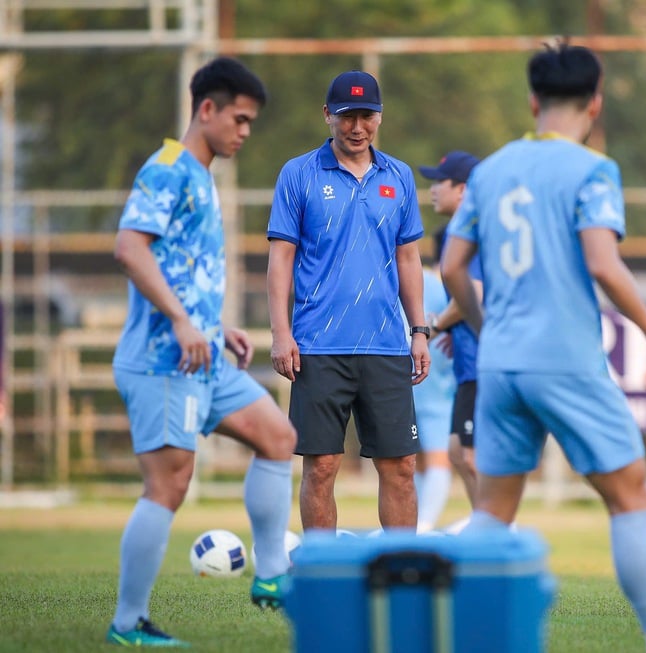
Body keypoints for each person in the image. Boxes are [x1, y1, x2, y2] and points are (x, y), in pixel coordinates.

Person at [441, 43, 646, 653]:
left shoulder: (492, 170)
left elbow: (452, 267)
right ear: (596, 103)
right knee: (628, 495)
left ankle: (455, 636)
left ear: (533, 100)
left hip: (501, 363)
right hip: (564, 360)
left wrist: (483, 326)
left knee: (492, 511)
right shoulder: (592, 169)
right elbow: (604, 265)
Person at [108, 57, 297, 647]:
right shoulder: (168, 169)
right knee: (169, 485)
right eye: (239, 119)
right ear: (207, 109)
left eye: (251, 123)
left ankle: (271, 578)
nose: (245, 131)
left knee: (277, 437)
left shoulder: (202, 174)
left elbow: (180, 267)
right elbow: (130, 248)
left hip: (204, 353)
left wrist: (218, 325)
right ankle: (127, 623)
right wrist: (186, 323)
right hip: (165, 359)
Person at [267, 70, 430, 534]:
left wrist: (419, 331)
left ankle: (402, 574)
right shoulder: (298, 173)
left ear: (379, 117)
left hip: (386, 346)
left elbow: (408, 258)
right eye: (346, 117)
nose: (357, 127)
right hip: (318, 346)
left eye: (366, 116)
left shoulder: (398, 176)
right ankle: (322, 573)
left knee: (400, 468)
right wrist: (282, 333)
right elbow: (281, 260)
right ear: (327, 116)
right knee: (321, 467)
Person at [419, 151, 483, 518]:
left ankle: (495, 533)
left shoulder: (473, 233)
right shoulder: (462, 234)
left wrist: (438, 324)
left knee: (469, 454)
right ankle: (488, 531)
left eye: (439, 182)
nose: (432, 190)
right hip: (470, 362)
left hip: (485, 363)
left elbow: (476, 292)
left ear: (461, 190)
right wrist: (454, 326)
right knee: (460, 451)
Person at [411, 227, 458, 533]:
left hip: (406, 376)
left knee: (415, 458)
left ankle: (417, 524)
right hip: (440, 380)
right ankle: (424, 526)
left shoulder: (420, 281)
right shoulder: (453, 285)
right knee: (439, 457)